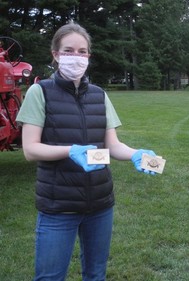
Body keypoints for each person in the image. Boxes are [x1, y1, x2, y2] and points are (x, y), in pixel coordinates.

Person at [16, 22, 157, 281]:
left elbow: (112, 145)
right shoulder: (40, 92)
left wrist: (137, 154)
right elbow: (30, 149)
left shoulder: (99, 95)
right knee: (50, 277)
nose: (76, 57)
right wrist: (71, 151)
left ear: (89, 57)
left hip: (100, 204)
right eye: (69, 50)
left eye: (82, 52)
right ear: (56, 55)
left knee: (95, 275)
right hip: (58, 205)